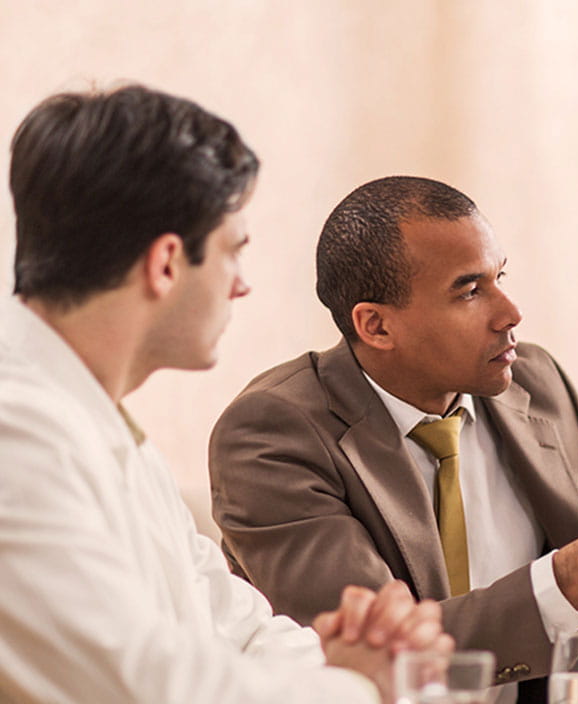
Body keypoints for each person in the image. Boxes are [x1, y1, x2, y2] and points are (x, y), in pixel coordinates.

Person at [207, 175, 578, 703]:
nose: (510, 313)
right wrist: (573, 575)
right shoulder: (272, 435)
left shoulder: (534, 384)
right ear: (375, 326)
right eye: (470, 291)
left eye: (501, 278)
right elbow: (385, 652)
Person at [0, 85, 451, 704]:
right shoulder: (15, 434)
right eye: (233, 251)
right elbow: (140, 687)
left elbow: (237, 631)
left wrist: (369, 659)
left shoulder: (103, 430)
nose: (242, 286)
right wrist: (355, 684)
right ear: (165, 264)